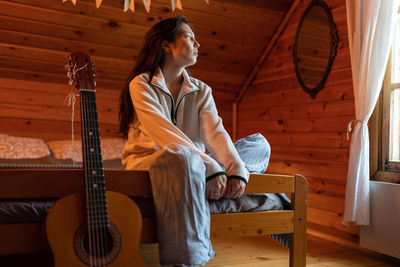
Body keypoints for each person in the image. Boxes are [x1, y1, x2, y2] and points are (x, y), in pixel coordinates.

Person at [119, 15, 270, 267]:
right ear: (166, 45)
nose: (197, 44)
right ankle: (187, 261)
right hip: (153, 163)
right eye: (189, 37)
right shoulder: (141, 84)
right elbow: (163, 132)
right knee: (183, 156)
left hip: (199, 165)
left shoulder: (202, 90)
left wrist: (235, 170)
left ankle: (215, 176)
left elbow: (216, 133)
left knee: (259, 145)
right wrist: (210, 165)